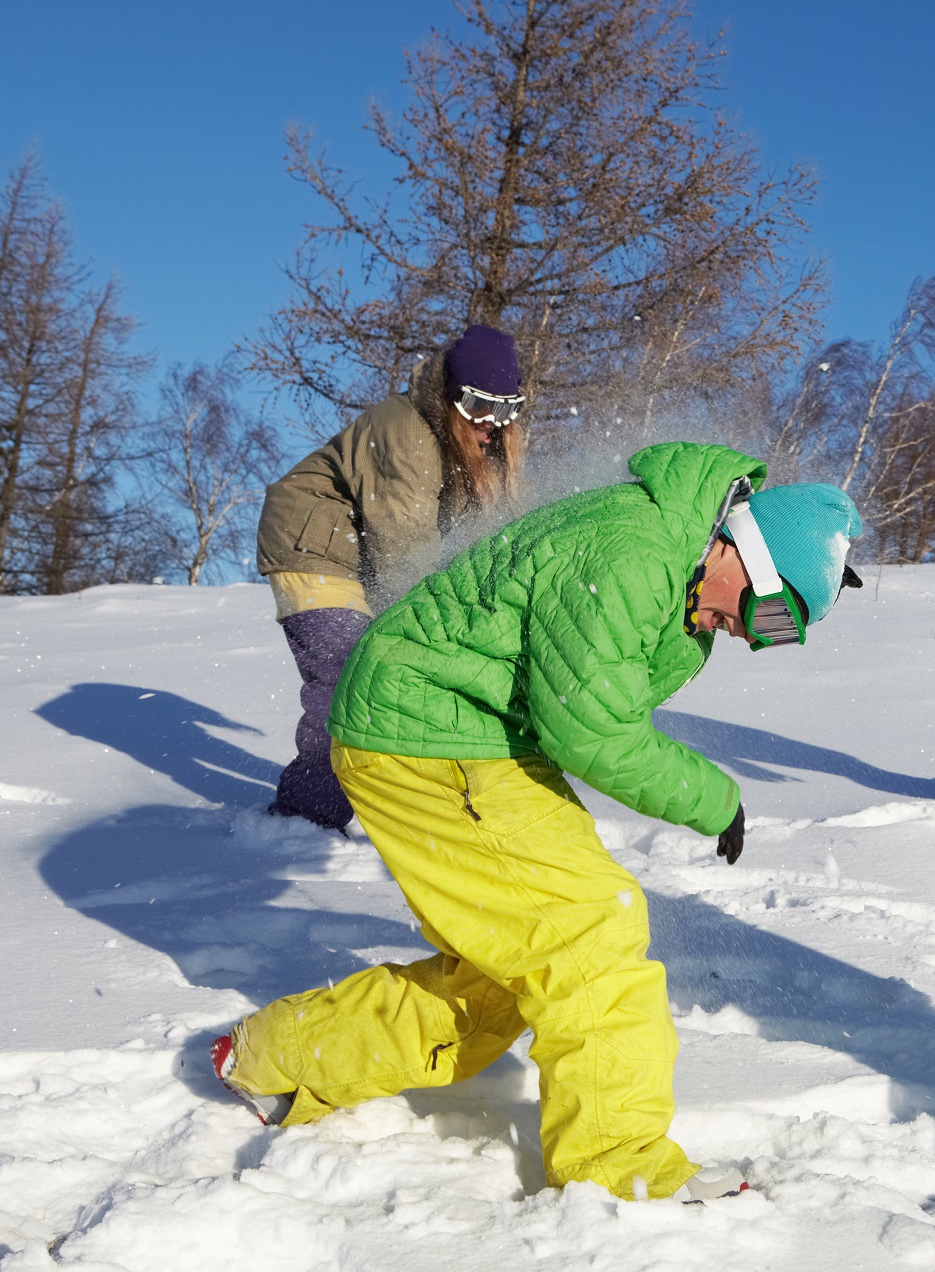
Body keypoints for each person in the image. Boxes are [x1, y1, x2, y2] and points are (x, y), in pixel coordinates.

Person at [212, 442, 864, 1203]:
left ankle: (280, 1058)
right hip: (424, 731)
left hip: (472, 736)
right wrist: (711, 796)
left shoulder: (681, 573)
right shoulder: (634, 555)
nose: (757, 636)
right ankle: (617, 1171)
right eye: (772, 613)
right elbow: (591, 729)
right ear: (742, 550)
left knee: (509, 972)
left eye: (783, 632)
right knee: (591, 934)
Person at [255, 324, 528, 830]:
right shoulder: (406, 431)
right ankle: (305, 819)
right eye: (478, 405)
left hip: (361, 552)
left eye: (507, 408)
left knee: (387, 676)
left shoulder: (474, 445)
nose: (493, 422)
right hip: (312, 543)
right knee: (349, 678)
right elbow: (404, 551)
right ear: (451, 397)